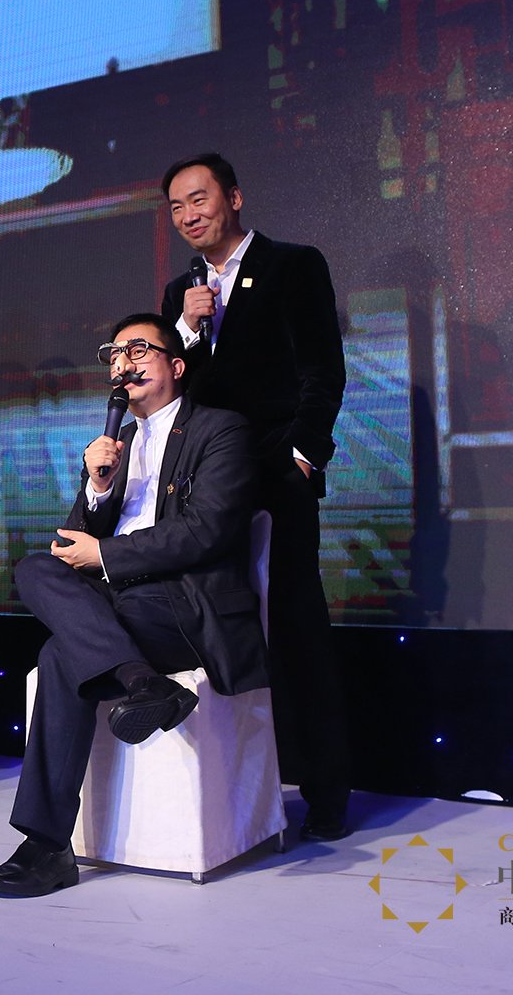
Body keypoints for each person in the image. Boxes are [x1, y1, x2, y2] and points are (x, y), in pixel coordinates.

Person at [0, 314, 266, 897]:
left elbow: (207, 532)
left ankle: (47, 847)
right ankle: (143, 682)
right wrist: (98, 487)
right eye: (114, 354)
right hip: (123, 604)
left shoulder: (220, 430)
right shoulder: (117, 443)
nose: (123, 363)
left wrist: (105, 554)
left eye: (138, 350)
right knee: (34, 567)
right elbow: (70, 543)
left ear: (176, 365)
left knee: (61, 655)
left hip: (185, 604)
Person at [158, 152, 351, 840]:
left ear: (234, 198)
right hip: (207, 484)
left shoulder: (292, 265)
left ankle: (325, 792)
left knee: (297, 627)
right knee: (216, 628)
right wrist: (187, 332)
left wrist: (303, 455)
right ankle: (238, 795)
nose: (189, 215)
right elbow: (177, 389)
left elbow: (323, 369)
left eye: (199, 198)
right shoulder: (180, 294)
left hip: (276, 474)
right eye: (177, 206)